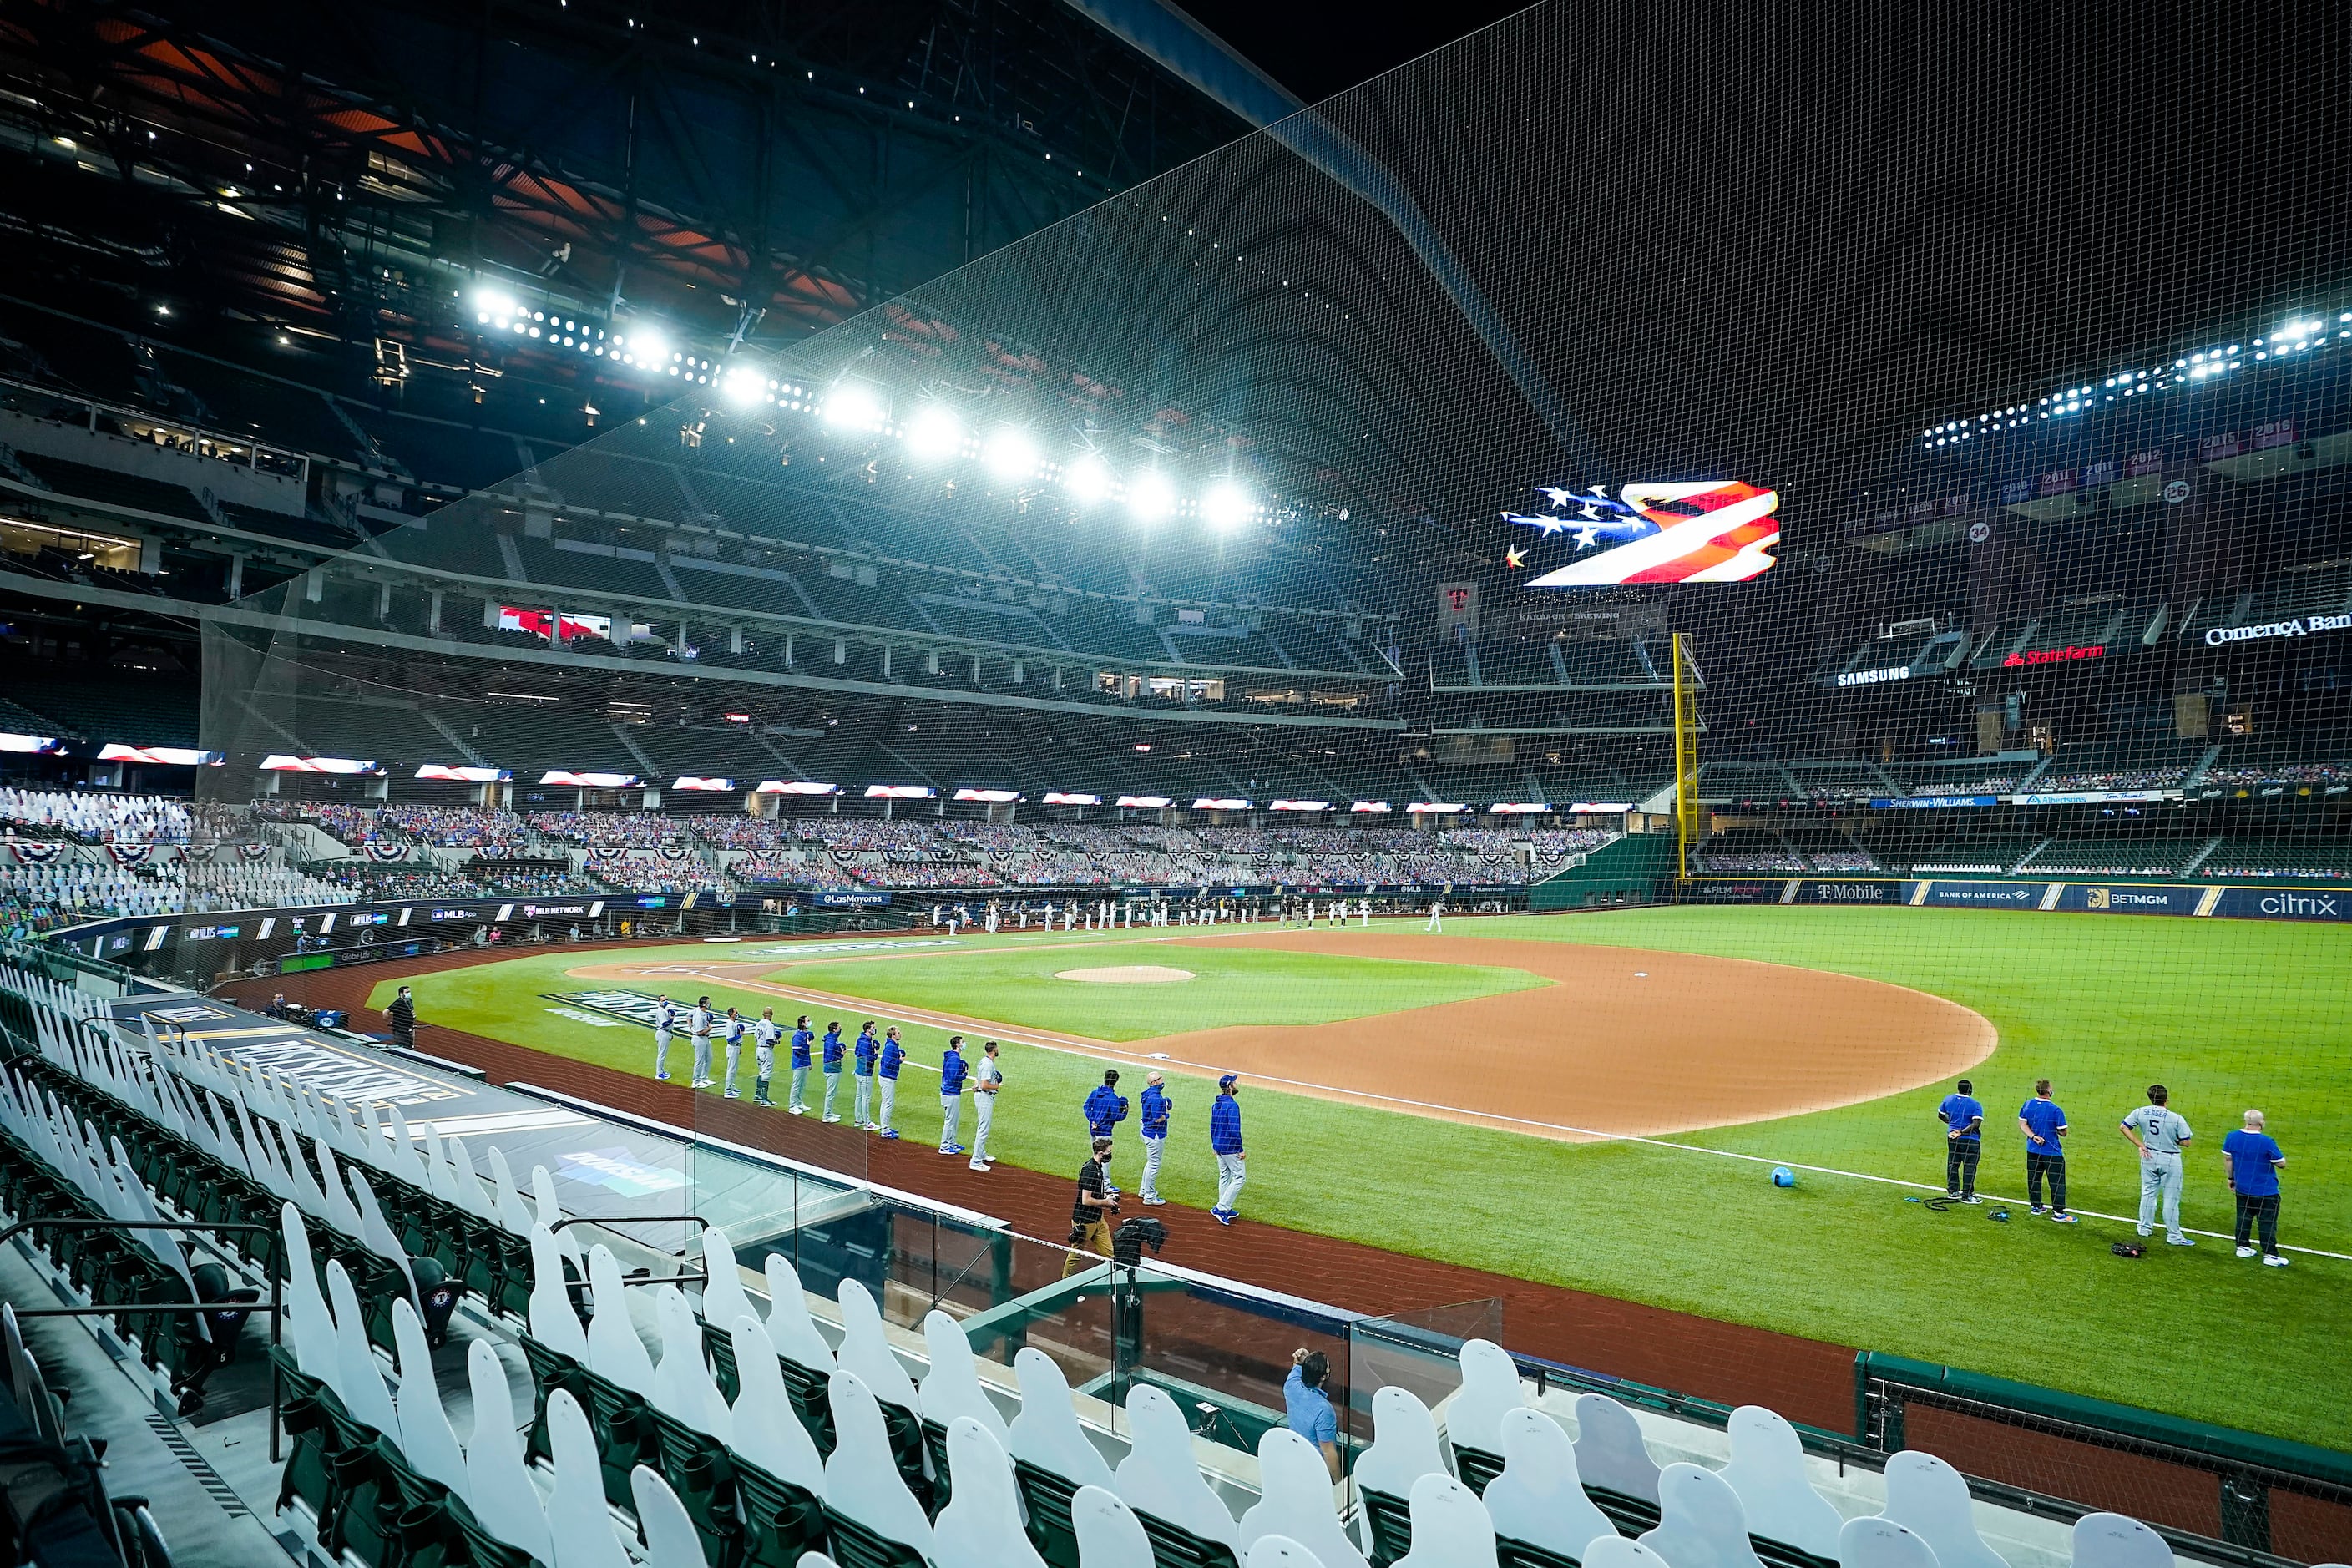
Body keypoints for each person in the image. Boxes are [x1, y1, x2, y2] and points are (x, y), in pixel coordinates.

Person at [2120, 1085, 2195, 1246]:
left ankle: (2144, 1228)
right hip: (2170, 1159)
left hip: (2149, 1156)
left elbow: (2124, 1127)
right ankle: (2174, 1236)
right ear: (2166, 1100)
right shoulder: (2176, 1118)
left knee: (2148, 1193)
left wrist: (2139, 1144)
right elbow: (2186, 1142)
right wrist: (2173, 1139)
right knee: (2171, 1198)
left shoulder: (2141, 1111)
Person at [2223, 1110, 2288, 1266]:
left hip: (2243, 1188)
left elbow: (2228, 1159)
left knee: (2243, 1218)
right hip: (2266, 1191)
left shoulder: (2232, 1136)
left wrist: (2231, 1178)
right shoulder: (2266, 1141)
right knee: (2267, 1222)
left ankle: (2243, 1248)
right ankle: (2271, 1256)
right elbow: (2281, 1163)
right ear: (2261, 1123)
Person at [2018, 1078, 2074, 1222]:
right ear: (2049, 1091)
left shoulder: (2028, 1104)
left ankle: (2036, 1206)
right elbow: (2064, 1132)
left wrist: (2033, 1136)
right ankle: (2059, 1213)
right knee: (2057, 1182)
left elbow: (2023, 1125)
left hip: (2032, 1150)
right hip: (2052, 1152)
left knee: (2034, 1178)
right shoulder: (2055, 1110)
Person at [1063, 1137, 1119, 1277]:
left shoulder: (1098, 1167)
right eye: (1109, 1151)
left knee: (1110, 1254)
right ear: (1100, 1153)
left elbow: (1094, 1192)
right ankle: (1065, 1281)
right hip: (1084, 1221)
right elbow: (1086, 1200)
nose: (1110, 1154)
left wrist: (1107, 1196)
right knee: (1076, 1253)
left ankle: (1116, 1284)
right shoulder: (1090, 1171)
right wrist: (1106, 1202)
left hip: (1098, 1219)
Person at [1284, 1349, 1341, 1480]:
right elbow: (1328, 1452)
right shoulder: (1324, 1409)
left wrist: (1302, 1362)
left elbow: (1296, 1367)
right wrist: (1339, 1484)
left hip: (1295, 1460)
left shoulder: (1291, 1386)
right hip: (1315, 1471)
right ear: (1323, 1376)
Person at [1937, 1077, 1985, 1202]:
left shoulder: (1948, 1099)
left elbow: (1940, 1115)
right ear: (1970, 1090)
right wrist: (1961, 1132)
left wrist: (1952, 1125)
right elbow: (1976, 1124)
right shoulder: (1975, 1104)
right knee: (1969, 1166)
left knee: (1953, 1163)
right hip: (1969, 1139)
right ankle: (1967, 1195)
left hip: (1952, 1137)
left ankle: (1953, 1191)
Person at [1210, 1073, 1246, 1225]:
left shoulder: (1216, 1104)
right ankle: (1221, 1207)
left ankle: (1225, 1206)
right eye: (1235, 1083)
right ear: (1230, 1087)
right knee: (1240, 1178)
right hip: (1231, 1147)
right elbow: (1234, 1129)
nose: (1237, 1084)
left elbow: (1213, 1126)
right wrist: (1240, 1149)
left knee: (1224, 1176)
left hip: (1219, 1146)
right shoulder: (1232, 1105)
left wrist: (1214, 1145)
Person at [1138, 1070, 1171, 1206]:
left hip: (1147, 1131)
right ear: (1154, 1082)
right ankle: (1149, 1196)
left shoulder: (1149, 1094)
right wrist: (1167, 1113)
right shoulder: (1156, 1098)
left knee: (1150, 1162)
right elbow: (1158, 1118)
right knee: (1154, 1164)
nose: (1162, 1081)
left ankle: (1143, 1190)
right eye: (1160, 1079)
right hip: (1155, 1135)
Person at [969, 1041, 1004, 1171]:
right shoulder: (988, 1064)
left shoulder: (984, 1061)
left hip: (982, 1096)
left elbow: (979, 1081)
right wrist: (997, 1086)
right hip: (984, 1097)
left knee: (982, 1127)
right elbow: (984, 1085)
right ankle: (976, 1161)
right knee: (983, 1129)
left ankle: (981, 1154)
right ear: (994, 1050)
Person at [938, 1035, 969, 1156]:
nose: (964, 1044)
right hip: (950, 1093)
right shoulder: (954, 1059)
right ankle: (944, 1146)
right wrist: (964, 1075)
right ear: (958, 1045)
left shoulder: (953, 1057)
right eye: (962, 1042)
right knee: (950, 1121)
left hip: (951, 1092)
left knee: (954, 1120)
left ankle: (952, 1142)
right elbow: (953, 1077)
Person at [878, 1027, 904, 1139]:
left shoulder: (892, 1046)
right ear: (893, 1035)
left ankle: (885, 1127)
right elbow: (888, 1063)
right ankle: (885, 1130)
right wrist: (900, 1060)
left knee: (885, 1103)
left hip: (886, 1077)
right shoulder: (890, 1047)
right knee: (888, 1104)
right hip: (887, 1078)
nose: (900, 1034)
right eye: (898, 1033)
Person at [852, 1020, 880, 1129]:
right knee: (866, 1098)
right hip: (865, 1073)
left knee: (859, 1096)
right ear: (868, 1029)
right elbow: (868, 1059)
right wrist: (875, 1053)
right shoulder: (866, 1043)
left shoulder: (860, 1040)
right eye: (873, 1027)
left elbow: (857, 1053)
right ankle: (867, 1122)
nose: (874, 1029)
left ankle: (858, 1119)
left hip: (858, 1071)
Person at [751, 1007, 781, 1107]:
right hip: (766, 1051)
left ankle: (758, 1095)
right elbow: (769, 1040)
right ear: (771, 1015)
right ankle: (764, 1099)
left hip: (758, 1049)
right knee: (766, 1074)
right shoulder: (770, 1025)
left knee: (761, 1072)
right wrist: (777, 1041)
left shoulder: (759, 1023)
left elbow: (756, 1037)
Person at [787, 1014, 814, 1114]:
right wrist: (807, 1045)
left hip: (805, 1063)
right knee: (796, 1084)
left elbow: (807, 1052)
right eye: (808, 1021)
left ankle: (799, 1102)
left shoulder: (806, 1035)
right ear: (802, 1023)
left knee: (802, 1084)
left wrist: (809, 1062)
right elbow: (797, 1051)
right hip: (798, 1063)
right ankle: (792, 1105)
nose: (809, 1022)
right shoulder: (797, 1036)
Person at [820, 1020, 846, 1122]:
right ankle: (826, 1116)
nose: (840, 1029)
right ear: (835, 1029)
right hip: (832, 1069)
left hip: (832, 1068)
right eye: (839, 1027)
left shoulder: (831, 1040)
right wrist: (841, 1054)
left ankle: (829, 1112)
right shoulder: (831, 1041)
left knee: (832, 1092)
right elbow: (831, 1057)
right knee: (830, 1093)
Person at [721, 1007, 747, 1098]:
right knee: (731, 1070)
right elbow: (730, 1039)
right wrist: (740, 1035)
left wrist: (739, 1047)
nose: (737, 1014)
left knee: (734, 1070)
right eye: (736, 1012)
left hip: (735, 1047)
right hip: (732, 1048)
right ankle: (727, 1091)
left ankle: (731, 1087)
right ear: (732, 1014)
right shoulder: (730, 1024)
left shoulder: (733, 1023)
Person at [688, 996, 715, 1088]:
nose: (710, 1003)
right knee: (699, 1060)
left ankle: (704, 1078)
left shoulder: (697, 1010)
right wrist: (709, 1028)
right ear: (704, 1004)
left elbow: (688, 1016)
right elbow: (700, 1032)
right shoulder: (699, 1016)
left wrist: (691, 1027)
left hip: (705, 1039)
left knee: (709, 1058)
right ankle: (696, 1081)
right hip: (700, 1039)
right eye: (708, 1002)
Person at [383, 984, 416, 1050]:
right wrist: (389, 1020)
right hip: (400, 1030)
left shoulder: (409, 1001)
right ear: (401, 994)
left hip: (408, 1028)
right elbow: (385, 1012)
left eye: (409, 992)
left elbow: (411, 1010)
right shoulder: (398, 1002)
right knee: (402, 1047)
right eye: (407, 992)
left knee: (409, 1046)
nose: (409, 994)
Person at [652, 995, 676, 1082]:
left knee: (662, 1054)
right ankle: (659, 1073)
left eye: (666, 1000)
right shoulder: (661, 1011)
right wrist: (672, 1019)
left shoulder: (664, 1010)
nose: (665, 1001)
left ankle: (661, 1071)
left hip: (665, 1033)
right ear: (659, 1001)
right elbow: (665, 1024)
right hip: (663, 1032)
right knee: (662, 1054)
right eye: (663, 1000)